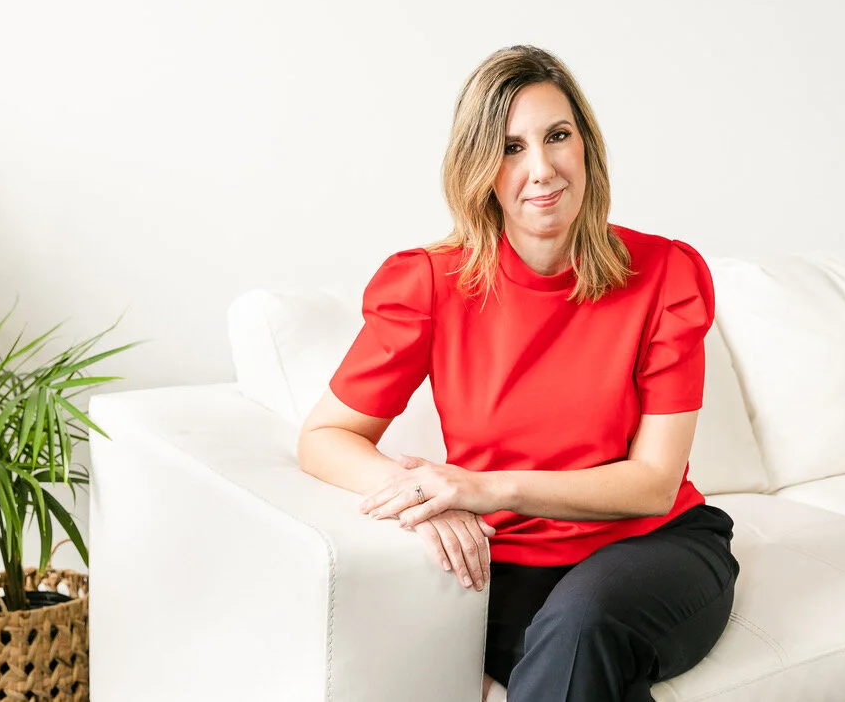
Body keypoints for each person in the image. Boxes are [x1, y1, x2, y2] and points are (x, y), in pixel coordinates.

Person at [296, 45, 740, 702]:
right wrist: (419, 495)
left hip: (658, 547)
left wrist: (479, 488)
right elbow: (324, 435)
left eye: (558, 136)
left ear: (585, 145)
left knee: (583, 624)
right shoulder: (427, 283)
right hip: (506, 568)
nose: (541, 168)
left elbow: (652, 484)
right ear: (480, 167)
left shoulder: (665, 274)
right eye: (510, 146)